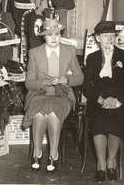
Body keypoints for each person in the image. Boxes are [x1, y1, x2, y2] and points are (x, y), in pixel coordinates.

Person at [22, 19, 84, 173]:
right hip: (39, 93)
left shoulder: (69, 51)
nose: (54, 38)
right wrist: (45, 82)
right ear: (44, 37)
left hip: (62, 94)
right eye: (49, 35)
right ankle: (37, 153)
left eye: (56, 34)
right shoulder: (35, 53)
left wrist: (67, 80)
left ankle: (53, 154)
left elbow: (80, 78)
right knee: (38, 114)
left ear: (60, 34)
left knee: (53, 115)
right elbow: (29, 83)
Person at [83, 21, 124, 182]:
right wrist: (101, 100)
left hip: (119, 101)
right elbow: (86, 86)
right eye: (105, 36)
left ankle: (111, 160)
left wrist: (118, 101)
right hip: (99, 100)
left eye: (112, 35)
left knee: (118, 119)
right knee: (98, 120)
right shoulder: (91, 58)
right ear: (98, 38)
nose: (109, 39)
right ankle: (101, 163)